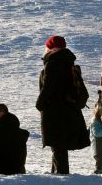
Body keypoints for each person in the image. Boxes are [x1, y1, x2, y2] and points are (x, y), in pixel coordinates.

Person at [36, 35, 90, 174]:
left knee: (57, 145)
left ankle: (61, 176)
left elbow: (49, 86)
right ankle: (57, 174)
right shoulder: (68, 62)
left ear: (50, 48)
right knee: (59, 146)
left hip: (55, 110)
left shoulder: (53, 62)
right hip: (69, 110)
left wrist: (40, 103)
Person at [89, 100, 102, 174]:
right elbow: (97, 133)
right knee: (101, 163)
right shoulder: (95, 121)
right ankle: (100, 172)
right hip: (98, 147)